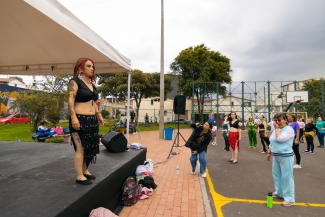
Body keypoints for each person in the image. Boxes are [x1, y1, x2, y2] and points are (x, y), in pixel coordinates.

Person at [68, 57, 105, 185]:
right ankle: (79, 175)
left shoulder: (91, 84)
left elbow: (93, 102)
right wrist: (73, 117)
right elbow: (70, 100)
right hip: (79, 119)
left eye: (92, 66)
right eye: (88, 66)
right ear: (80, 68)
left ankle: (85, 170)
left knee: (90, 147)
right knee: (81, 148)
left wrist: (98, 115)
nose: (92, 68)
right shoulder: (74, 82)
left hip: (91, 120)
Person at [266, 113, 295, 207]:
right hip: (276, 155)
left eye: (279, 120)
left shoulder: (289, 130)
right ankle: (280, 192)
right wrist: (269, 152)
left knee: (286, 177)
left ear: (285, 120)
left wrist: (277, 129)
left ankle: (289, 199)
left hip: (286, 156)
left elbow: (280, 139)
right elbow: (272, 141)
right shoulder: (276, 129)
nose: (277, 122)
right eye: (276, 120)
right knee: (276, 175)